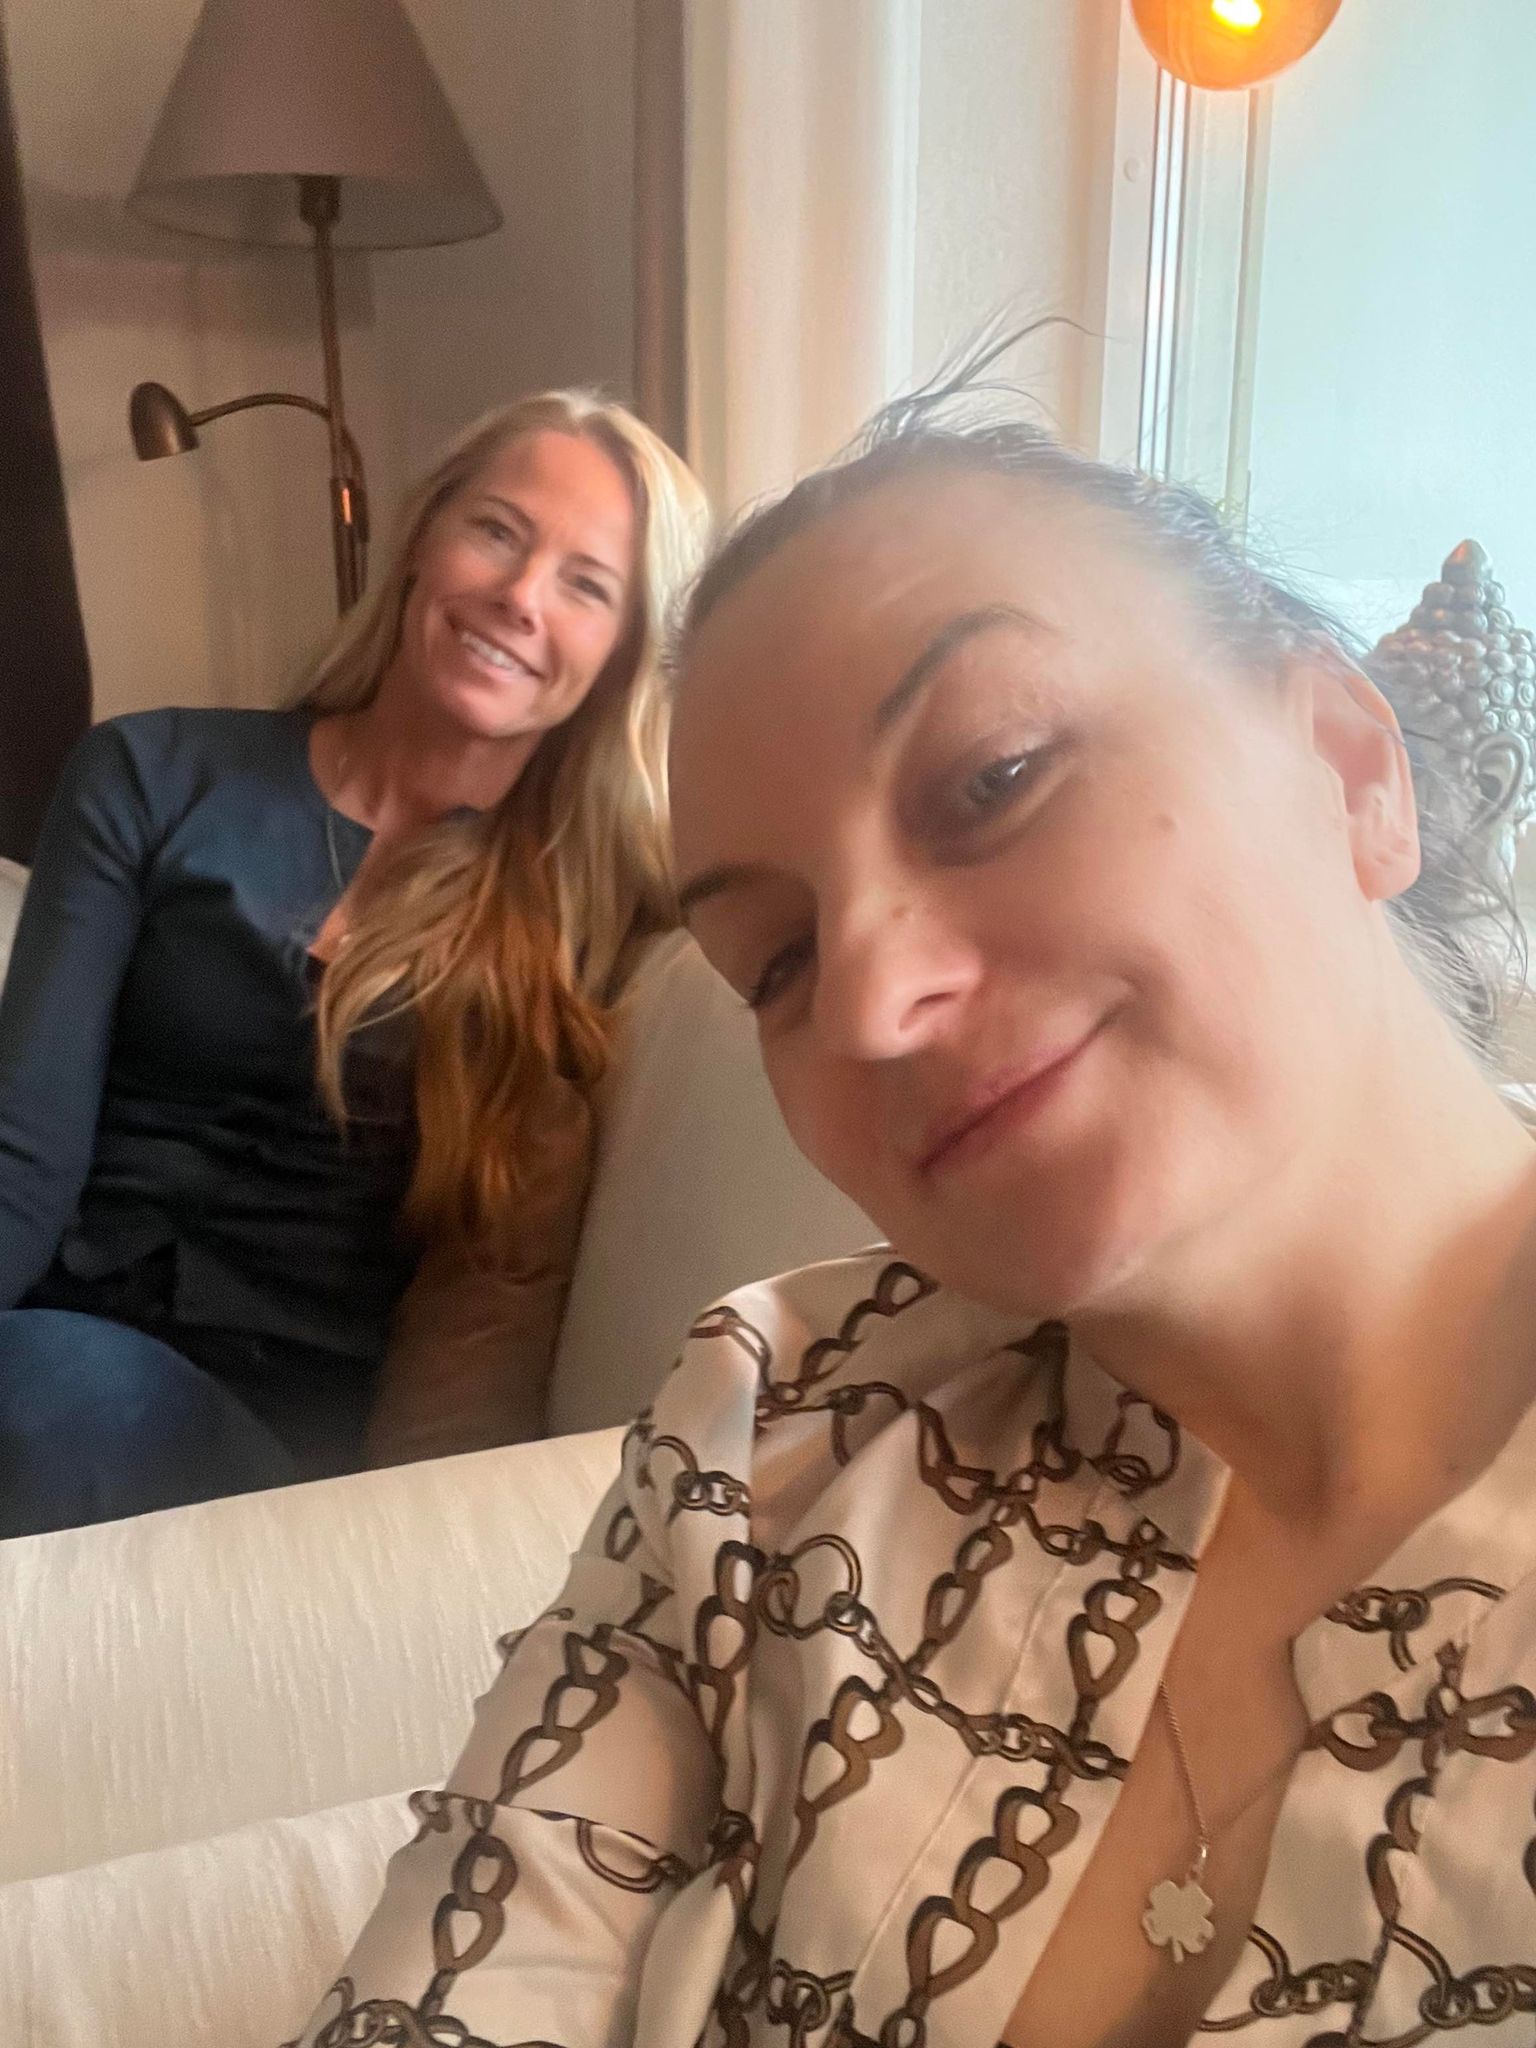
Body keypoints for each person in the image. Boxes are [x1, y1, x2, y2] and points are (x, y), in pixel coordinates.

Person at [291, 375, 1536, 2048]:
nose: (871, 1006)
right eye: (778, 960)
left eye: (993, 777)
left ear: (1351, 766)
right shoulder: (771, 1424)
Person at [0, 390, 709, 1539]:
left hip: (273, 1434)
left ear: (623, 652)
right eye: (497, 531)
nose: (521, 596)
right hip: (46, 1342)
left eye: (587, 584)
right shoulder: (150, 771)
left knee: (48, 1392)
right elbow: (21, 1153)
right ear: (422, 537)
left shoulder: (595, 899)